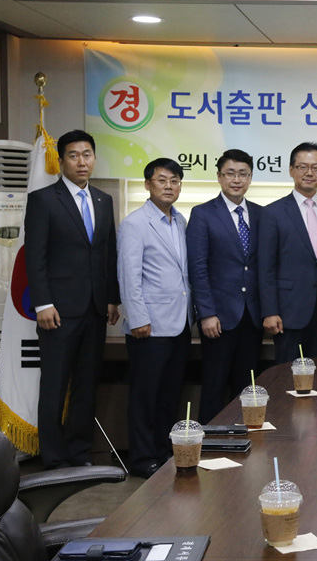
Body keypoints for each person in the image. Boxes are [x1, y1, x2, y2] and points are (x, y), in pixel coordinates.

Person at [24, 129, 120, 469]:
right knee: (54, 386)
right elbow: (35, 257)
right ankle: (53, 458)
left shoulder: (103, 200)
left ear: (94, 158)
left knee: (86, 385)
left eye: (87, 154)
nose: (82, 162)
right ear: (62, 160)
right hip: (58, 311)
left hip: (95, 309)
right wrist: (43, 303)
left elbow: (108, 253)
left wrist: (112, 298)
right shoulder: (44, 199)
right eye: (74, 155)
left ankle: (80, 454)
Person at [118, 158, 193, 478]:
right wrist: (137, 318)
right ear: (148, 184)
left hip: (179, 323)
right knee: (145, 396)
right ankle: (142, 458)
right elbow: (128, 276)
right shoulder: (135, 223)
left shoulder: (181, 221)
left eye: (175, 181)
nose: (169, 186)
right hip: (148, 326)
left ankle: (163, 453)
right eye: (162, 180)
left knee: (169, 395)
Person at [186, 149, 262, 424]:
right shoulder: (203, 214)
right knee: (214, 386)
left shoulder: (261, 214)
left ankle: (244, 439)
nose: (236, 180)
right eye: (230, 173)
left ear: (250, 177)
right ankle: (210, 442)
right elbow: (197, 268)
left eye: (243, 174)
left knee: (247, 388)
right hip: (217, 318)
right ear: (219, 177)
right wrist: (206, 313)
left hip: (252, 317)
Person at [259, 142, 317, 364]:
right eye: (302, 167)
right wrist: (270, 311)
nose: (309, 173)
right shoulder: (272, 213)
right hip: (288, 314)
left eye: (315, 167)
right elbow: (266, 268)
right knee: (288, 375)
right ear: (291, 170)